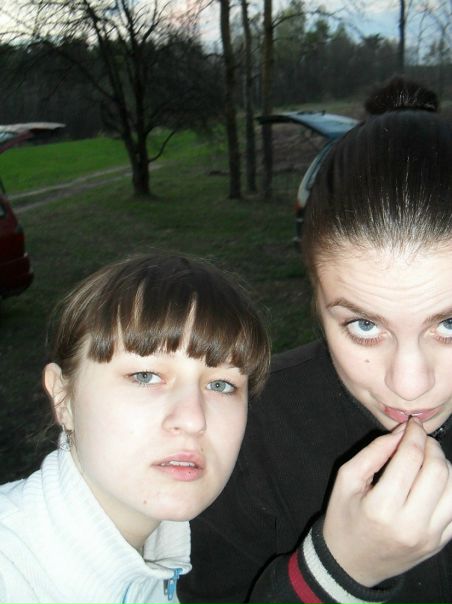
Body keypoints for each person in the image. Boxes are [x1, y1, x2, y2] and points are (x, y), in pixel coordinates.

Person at [179, 77, 452, 604]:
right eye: (364, 326)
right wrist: (337, 571)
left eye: (450, 324)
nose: (410, 385)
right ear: (317, 296)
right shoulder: (245, 434)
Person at [0, 253, 271, 604]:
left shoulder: (167, 555)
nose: (193, 419)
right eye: (145, 376)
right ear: (63, 397)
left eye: (221, 385)